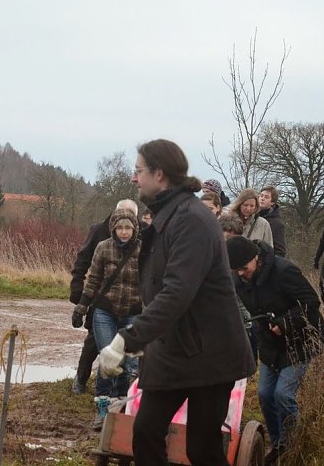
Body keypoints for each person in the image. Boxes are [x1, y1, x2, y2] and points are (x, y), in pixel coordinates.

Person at [100, 139, 254, 466]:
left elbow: (177, 292)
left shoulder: (192, 220)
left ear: (159, 174)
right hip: (174, 350)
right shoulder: (168, 217)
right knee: (146, 431)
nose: (134, 178)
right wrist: (147, 337)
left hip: (211, 354)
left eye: (139, 170)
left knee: (202, 449)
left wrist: (128, 338)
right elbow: (158, 290)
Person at [227, 237, 324, 464]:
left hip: (300, 341)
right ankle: (277, 443)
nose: (241, 273)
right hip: (270, 344)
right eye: (236, 270)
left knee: (283, 394)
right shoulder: (238, 279)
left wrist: (285, 323)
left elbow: (311, 303)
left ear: (256, 257)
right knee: (264, 394)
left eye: (244, 268)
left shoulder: (284, 271)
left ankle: (292, 445)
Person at [72, 208, 141, 430]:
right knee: (108, 359)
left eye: (128, 228)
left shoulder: (143, 250)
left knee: (126, 364)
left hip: (132, 312)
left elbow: (151, 282)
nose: (124, 232)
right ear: (113, 229)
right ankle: (102, 409)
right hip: (105, 311)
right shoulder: (103, 247)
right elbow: (93, 280)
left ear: (134, 229)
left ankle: (120, 409)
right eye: (120, 228)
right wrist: (81, 307)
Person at [258, 186, 286, 257]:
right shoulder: (252, 217)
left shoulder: (277, 223)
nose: (262, 199)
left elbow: (280, 251)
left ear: (272, 202)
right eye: (261, 196)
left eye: (266, 197)